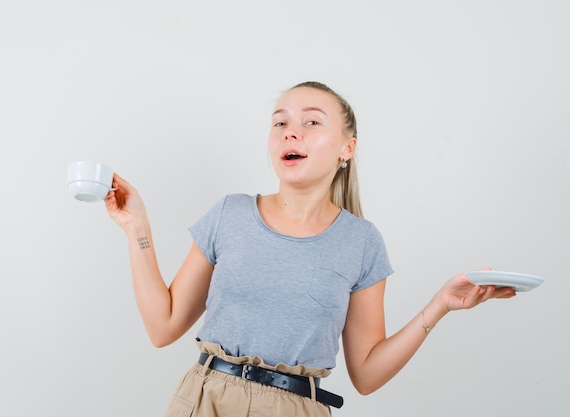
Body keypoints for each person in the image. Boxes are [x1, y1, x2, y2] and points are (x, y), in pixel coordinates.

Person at [104, 81, 516, 416]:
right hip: (205, 399)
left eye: (311, 122)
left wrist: (439, 305)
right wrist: (136, 226)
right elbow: (163, 327)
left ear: (346, 149)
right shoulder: (230, 213)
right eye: (280, 122)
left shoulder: (361, 242)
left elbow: (367, 375)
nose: (291, 131)